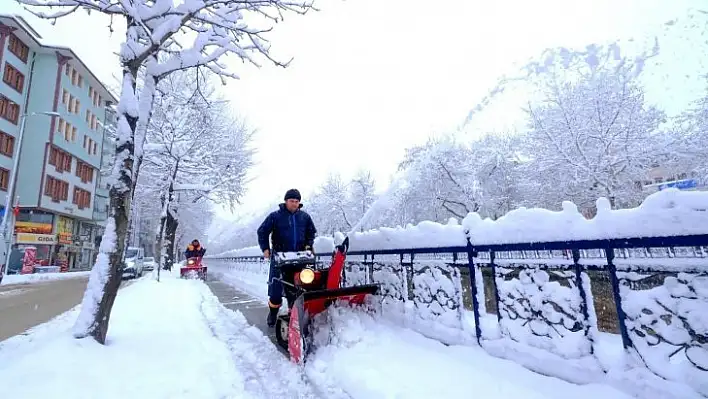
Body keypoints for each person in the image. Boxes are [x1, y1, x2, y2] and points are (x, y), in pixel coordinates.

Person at [257, 188, 317, 327]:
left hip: (299, 257)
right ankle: (273, 312)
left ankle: (294, 314)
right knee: (276, 287)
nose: (294, 204)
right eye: (292, 201)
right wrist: (265, 248)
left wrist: (308, 245)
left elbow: (311, 233)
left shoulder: (305, 217)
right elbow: (262, 231)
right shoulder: (275, 216)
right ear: (286, 201)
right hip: (279, 257)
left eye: (297, 201)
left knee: (298, 285)